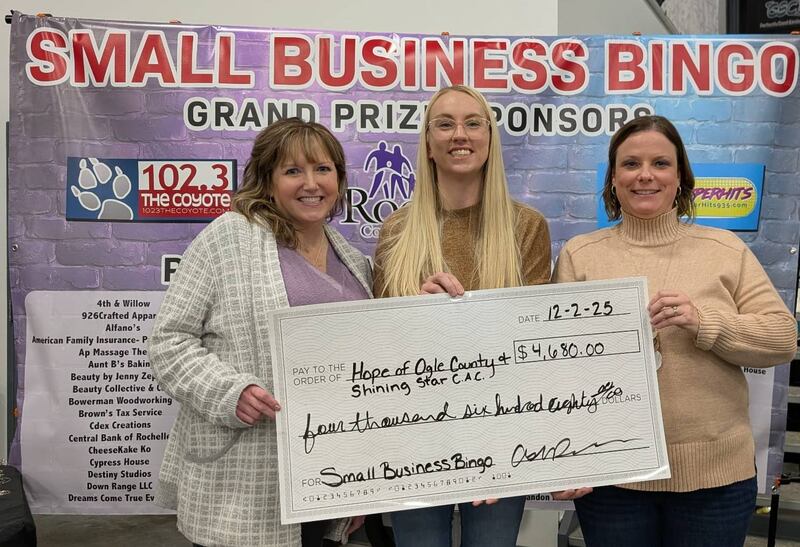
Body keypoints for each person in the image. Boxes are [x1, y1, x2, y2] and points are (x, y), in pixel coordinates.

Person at [553, 114, 797, 546]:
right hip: (614, 477)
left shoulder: (725, 249)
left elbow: (781, 339)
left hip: (715, 479)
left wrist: (707, 322)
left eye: (660, 164)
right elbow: (557, 368)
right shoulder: (580, 255)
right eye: (630, 164)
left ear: (681, 178)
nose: (645, 175)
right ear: (613, 179)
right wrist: (567, 456)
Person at [148, 118, 371, 547]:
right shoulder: (229, 237)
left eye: (323, 169)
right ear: (267, 181)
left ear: (339, 181)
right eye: (292, 171)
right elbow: (168, 341)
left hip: (326, 477)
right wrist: (229, 392)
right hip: (244, 479)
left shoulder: (353, 261)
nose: (311, 183)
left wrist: (363, 481)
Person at [373, 84, 552, 547]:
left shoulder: (526, 227)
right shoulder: (397, 229)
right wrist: (416, 307)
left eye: (474, 123)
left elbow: (532, 343)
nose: (461, 134)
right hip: (413, 436)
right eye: (446, 123)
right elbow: (380, 343)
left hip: (500, 435)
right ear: (428, 144)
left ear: (490, 139)